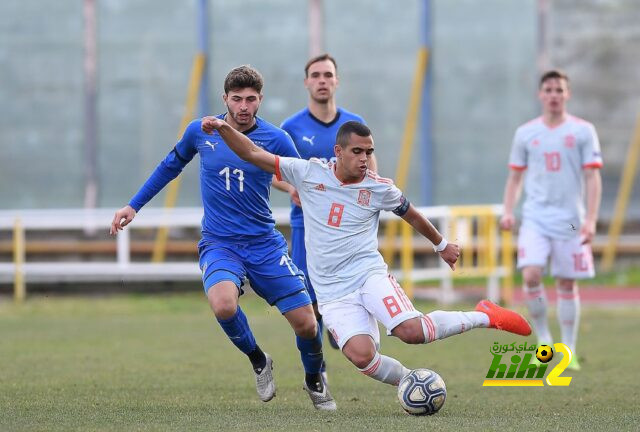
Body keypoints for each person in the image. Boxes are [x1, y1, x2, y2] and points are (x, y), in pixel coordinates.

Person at [201, 117, 532, 394]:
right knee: (362, 357)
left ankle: (486, 315)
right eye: (357, 151)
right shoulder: (309, 173)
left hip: (368, 275)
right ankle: (411, 382)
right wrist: (224, 128)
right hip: (331, 293)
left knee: (412, 333)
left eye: (369, 152)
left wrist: (441, 244)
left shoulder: (377, 188)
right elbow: (253, 153)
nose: (364, 158)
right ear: (339, 152)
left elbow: (411, 214)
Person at [110, 65, 335, 410]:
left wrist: (302, 191)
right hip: (220, 243)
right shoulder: (200, 132)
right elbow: (170, 165)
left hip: (263, 243)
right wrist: (133, 205)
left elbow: (305, 178)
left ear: (260, 99)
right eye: (236, 99)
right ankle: (259, 360)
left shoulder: (276, 139)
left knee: (306, 324)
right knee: (223, 304)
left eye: (250, 99)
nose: (243, 106)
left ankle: (313, 377)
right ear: (224, 99)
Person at [500, 70, 603, 371]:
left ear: (567, 94)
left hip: (571, 221)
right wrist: (508, 210)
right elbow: (515, 177)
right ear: (540, 95)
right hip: (535, 218)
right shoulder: (526, 133)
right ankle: (544, 342)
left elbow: (592, 176)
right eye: (549, 89)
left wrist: (591, 219)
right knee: (531, 275)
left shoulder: (583, 131)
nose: (554, 94)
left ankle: (568, 349)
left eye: (559, 89)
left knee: (566, 281)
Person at [275, 54, 377, 355]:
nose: (322, 81)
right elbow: (273, 172)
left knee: (357, 287)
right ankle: (317, 370)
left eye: (328, 75)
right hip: (308, 225)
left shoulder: (352, 123)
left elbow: (370, 169)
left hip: (348, 228)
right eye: (316, 75)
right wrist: (291, 187)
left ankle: (344, 328)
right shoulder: (290, 127)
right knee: (307, 302)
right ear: (307, 82)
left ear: (337, 81)